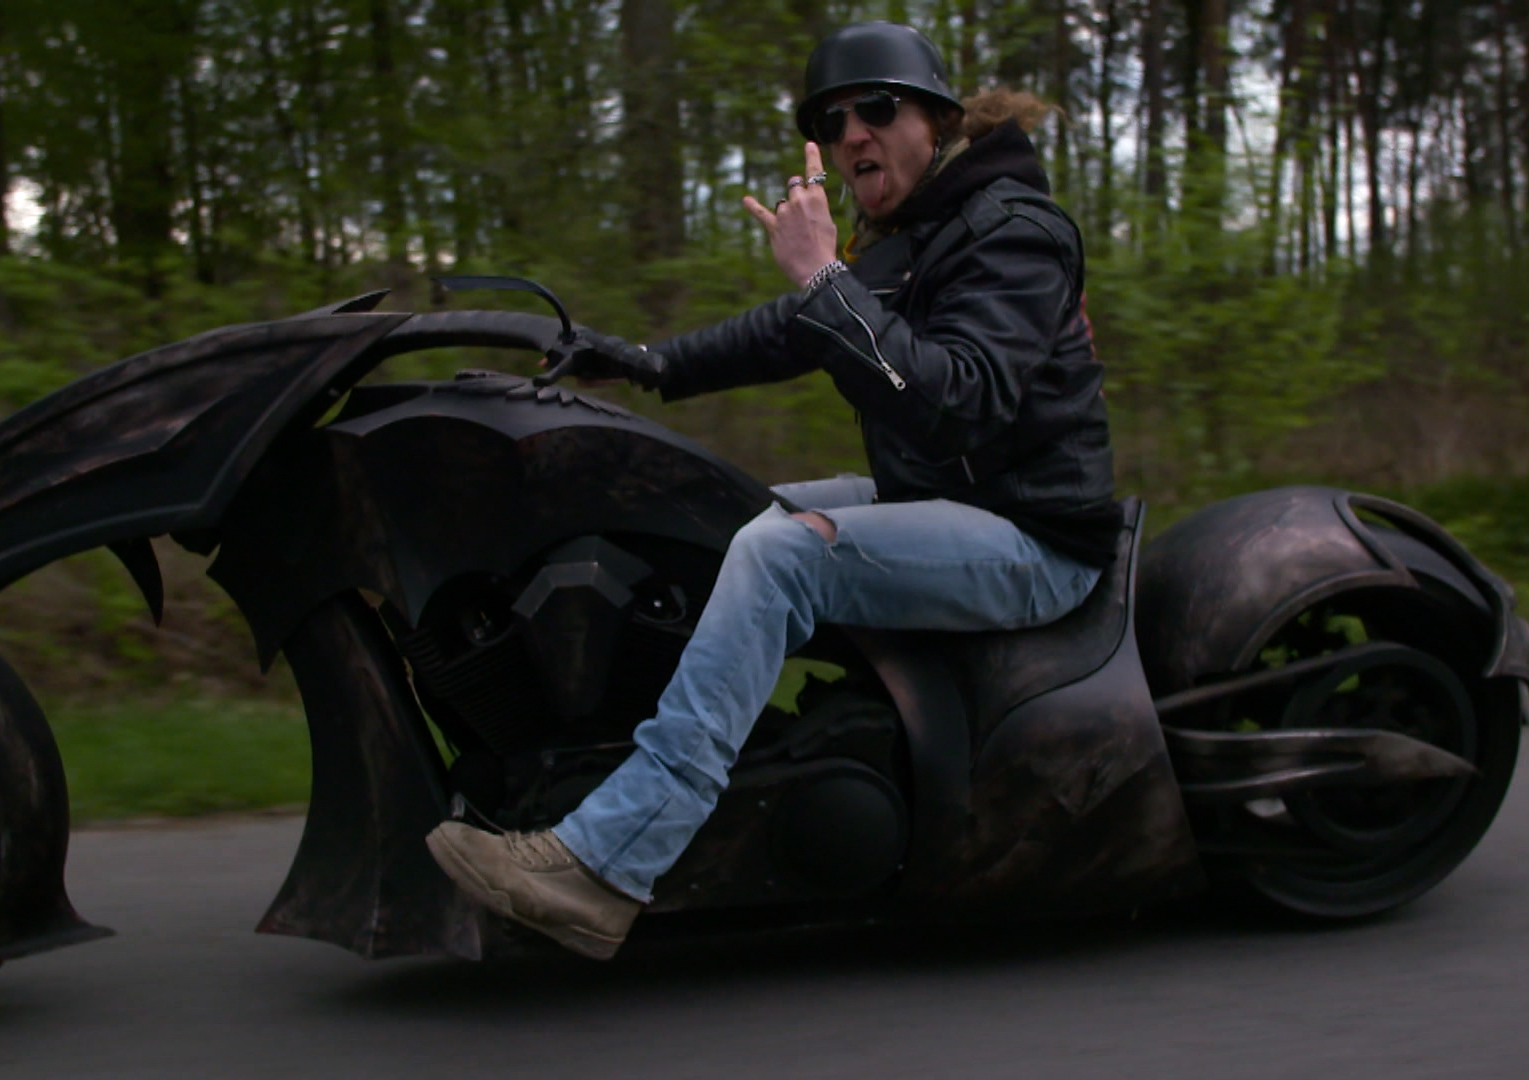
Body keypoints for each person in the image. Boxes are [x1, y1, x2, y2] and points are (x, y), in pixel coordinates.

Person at [424, 21, 1120, 960]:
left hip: (1033, 538)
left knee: (784, 556)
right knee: (726, 517)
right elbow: (789, 331)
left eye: (878, 109)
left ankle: (607, 864)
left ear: (939, 120)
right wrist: (641, 362)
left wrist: (827, 276)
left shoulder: (1015, 233)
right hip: (950, 505)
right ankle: (660, 776)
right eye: (832, 122)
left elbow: (957, 404)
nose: (853, 134)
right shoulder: (921, 236)